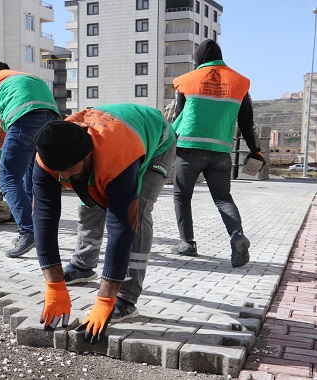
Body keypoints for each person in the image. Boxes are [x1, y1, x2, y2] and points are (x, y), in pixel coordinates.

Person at [33, 104, 176, 342]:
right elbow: (43, 219)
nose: (64, 177)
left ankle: (127, 299)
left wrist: (105, 300)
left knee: (137, 213)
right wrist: (54, 284)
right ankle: (82, 265)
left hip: (157, 141)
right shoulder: (49, 156)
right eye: (59, 172)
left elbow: (121, 229)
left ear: (87, 154)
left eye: (68, 169)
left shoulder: (119, 157)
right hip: (116, 133)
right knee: (89, 201)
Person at [171, 39, 266, 268]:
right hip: (221, 152)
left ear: (198, 58)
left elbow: (178, 116)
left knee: (182, 197)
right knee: (223, 198)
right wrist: (256, 151)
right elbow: (247, 122)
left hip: (188, 149)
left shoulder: (186, 81)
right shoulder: (239, 82)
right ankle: (237, 237)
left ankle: (188, 243)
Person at [0, 61, 60, 258]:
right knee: (33, 181)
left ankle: (27, 231)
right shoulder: (27, 76)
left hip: (24, 120)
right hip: (53, 122)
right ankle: (41, 234)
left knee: (8, 178)